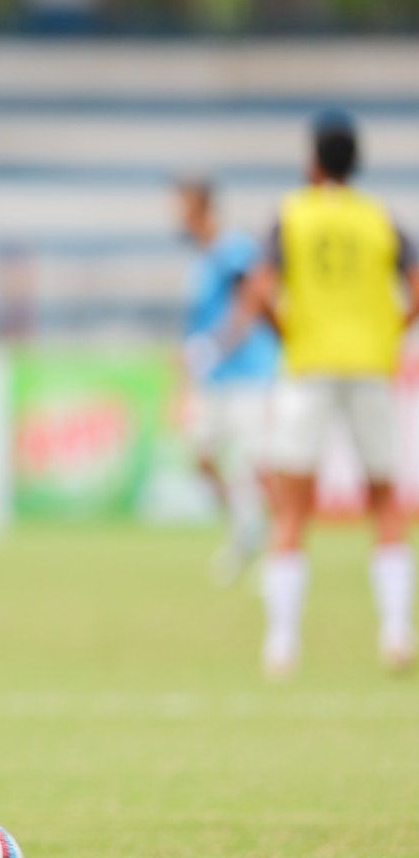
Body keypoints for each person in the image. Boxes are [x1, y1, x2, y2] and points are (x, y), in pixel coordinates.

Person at [250, 111, 419, 678]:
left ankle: (282, 644)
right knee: (385, 505)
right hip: (370, 366)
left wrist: (287, 331)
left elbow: (261, 290)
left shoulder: (291, 215)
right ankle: (395, 632)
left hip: (311, 366)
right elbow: (416, 284)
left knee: (292, 508)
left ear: (313, 160)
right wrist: (391, 329)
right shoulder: (380, 220)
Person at [174, 177, 279, 584]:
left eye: (181, 204)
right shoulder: (199, 261)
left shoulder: (231, 249)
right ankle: (244, 529)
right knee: (202, 459)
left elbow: (250, 302)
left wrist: (215, 346)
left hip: (247, 374)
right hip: (213, 378)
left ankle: (278, 553)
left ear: (199, 207)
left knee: (259, 464)